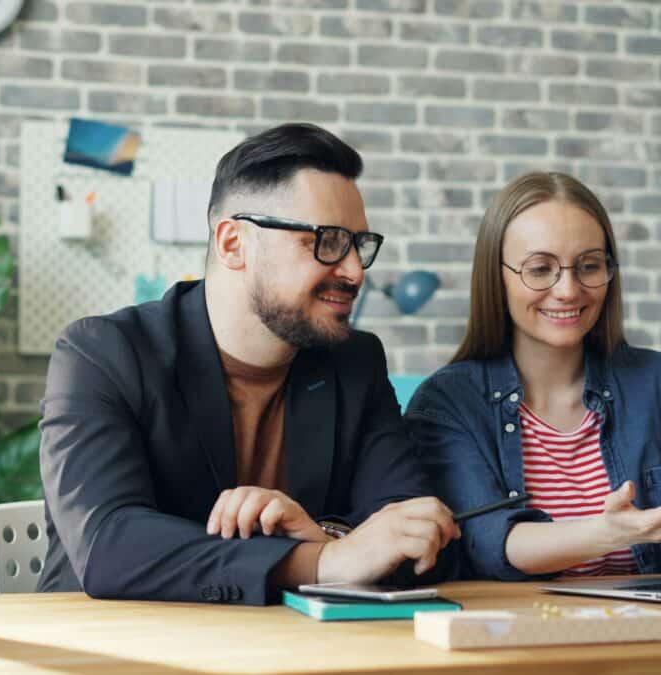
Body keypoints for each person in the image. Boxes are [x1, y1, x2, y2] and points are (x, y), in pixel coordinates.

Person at [37, 123, 459, 604]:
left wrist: (321, 535)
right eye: (326, 240)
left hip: (290, 651)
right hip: (108, 648)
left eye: (358, 245)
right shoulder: (102, 353)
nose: (354, 271)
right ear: (233, 243)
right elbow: (110, 545)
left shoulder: (354, 362)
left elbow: (418, 533)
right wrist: (321, 562)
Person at [405, 171, 661, 580]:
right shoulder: (447, 404)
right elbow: (488, 540)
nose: (568, 290)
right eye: (540, 268)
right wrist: (607, 534)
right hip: (519, 637)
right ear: (497, 277)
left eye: (588, 265)